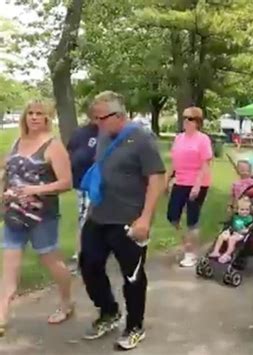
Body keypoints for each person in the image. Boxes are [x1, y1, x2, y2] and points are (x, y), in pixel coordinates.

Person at [79, 91, 165, 350]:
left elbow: (157, 179)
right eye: (95, 117)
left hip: (129, 220)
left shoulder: (141, 138)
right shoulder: (104, 135)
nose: (97, 123)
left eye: (101, 117)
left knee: (132, 276)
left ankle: (135, 325)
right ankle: (109, 310)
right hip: (99, 216)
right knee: (89, 265)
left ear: (119, 115)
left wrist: (145, 219)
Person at [0, 99, 74, 336]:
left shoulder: (53, 146)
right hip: (13, 215)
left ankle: (66, 301)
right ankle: (2, 314)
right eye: (30, 113)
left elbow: (66, 183)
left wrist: (34, 190)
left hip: (43, 217)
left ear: (46, 118)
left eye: (39, 114)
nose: (33, 117)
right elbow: (6, 172)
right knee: (9, 266)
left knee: (51, 261)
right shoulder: (16, 142)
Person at [166, 107, 213, 268]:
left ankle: (191, 253)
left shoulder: (203, 139)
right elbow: (174, 161)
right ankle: (187, 244)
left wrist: (197, 185)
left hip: (197, 182)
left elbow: (205, 164)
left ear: (198, 122)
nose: (186, 121)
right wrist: (167, 179)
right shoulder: (179, 138)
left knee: (192, 219)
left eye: (190, 118)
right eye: (184, 117)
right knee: (172, 216)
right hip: (180, 181)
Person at [66, 105, 99, 262]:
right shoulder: (80, 133)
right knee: (85, 216)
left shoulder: (111, 133)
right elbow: (71, 154)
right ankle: (80, 252)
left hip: (108, 182)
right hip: (84, 183)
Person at [209, 196, 253, 263]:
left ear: (250, 210)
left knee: (231, 239)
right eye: (242, 209)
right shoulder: (235, 217)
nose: (244, 212)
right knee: (222, 235)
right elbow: (230, 225)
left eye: (247, 210)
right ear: (237, 210)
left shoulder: (249, 218)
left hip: (241, 234)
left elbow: (249, 228)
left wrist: (243, 231)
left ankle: (227, 254)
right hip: (232, 231)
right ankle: (216, 251)